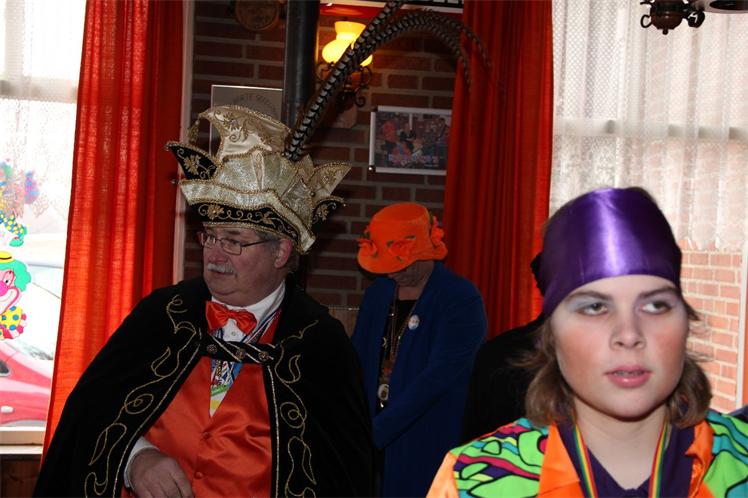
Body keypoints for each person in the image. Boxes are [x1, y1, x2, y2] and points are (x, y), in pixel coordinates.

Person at [34, 105, 374, 497]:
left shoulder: (320, 344)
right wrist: (135, 457)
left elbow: (342, 473)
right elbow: (92, 411)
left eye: (233, 241)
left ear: (281, 251)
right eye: (210, 236)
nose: (214, 254)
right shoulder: (163, 314)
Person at [428, 187, 748, 498]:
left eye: (655, 305)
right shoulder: (471, 482)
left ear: (685, 323)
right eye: (595, 307)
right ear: (551, 335)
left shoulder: (740, 460)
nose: (629, 335)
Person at [352, 202, 487, 497]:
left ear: (426, 254)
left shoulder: (460, 298)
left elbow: (437, 379)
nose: (391, 274)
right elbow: (357, 361)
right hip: (369, 435)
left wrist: (375, 432)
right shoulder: (378, 294)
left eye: (399, 264)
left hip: (427, 436)